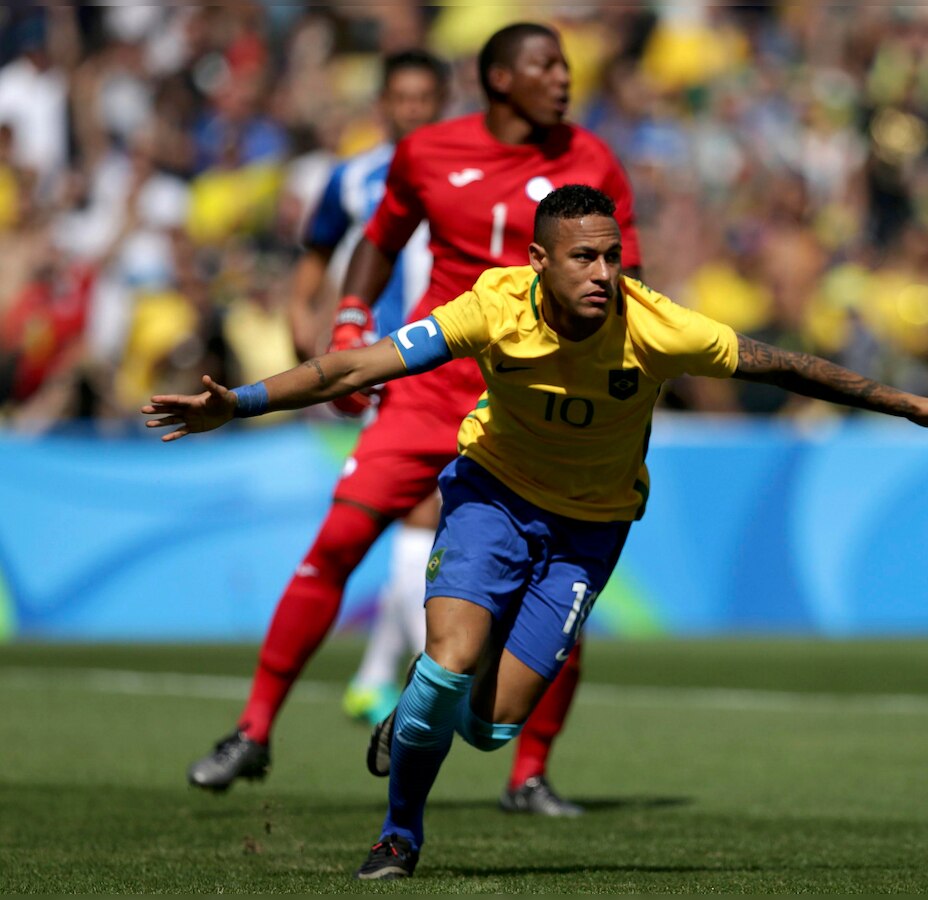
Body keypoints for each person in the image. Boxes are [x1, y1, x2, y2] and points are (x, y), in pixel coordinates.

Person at [143, 183, 928, 879]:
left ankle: (417, 719)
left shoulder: (657, 324)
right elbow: (357, 364)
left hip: (591, 530)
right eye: (584, 257)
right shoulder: (492, 307)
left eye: (612, 255)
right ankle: (399, 837)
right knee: (444, 667)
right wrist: (244, 402)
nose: (603, 272)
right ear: (538, 263)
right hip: (490, 498)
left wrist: (908, 406)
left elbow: (784, 365)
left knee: (490, 726)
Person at [185, 23, 643, 820]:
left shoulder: (592, 161)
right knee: (336, 544)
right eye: (546, 66)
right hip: (427, 389)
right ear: (499, 79)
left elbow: (624, 277)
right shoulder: (427, 151)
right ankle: (253, 731)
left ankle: (527, 774)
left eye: (566, 65)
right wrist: (350, 317)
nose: (565, 79)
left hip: (528, 405)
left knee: (556, 582)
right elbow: (377, 239)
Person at [286, 49, 448, 728]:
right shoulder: (351, 179)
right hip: (386, 365)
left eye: (424, 98)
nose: (412, 109)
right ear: (382, 101)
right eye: (401, 97)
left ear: (442, 101)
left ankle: (377, 675)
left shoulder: (463, 170)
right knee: (426, 512)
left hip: (449, 357)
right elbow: (312, 268)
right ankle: (428, 685)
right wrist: (314, 349)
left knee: (431, 518)